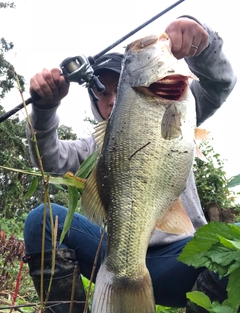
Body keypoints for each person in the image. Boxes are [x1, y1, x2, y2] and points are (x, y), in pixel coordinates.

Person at [23, 16, 237, 313]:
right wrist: (44, 109)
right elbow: (49, 159)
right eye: (103, 93)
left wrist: (202, 45)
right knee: (42, 218)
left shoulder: (180, 107)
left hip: (185, 262)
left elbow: (221, 82)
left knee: (235, 240)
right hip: (117, 254)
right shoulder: (93, 145)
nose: (111, 100)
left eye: (118, 88)